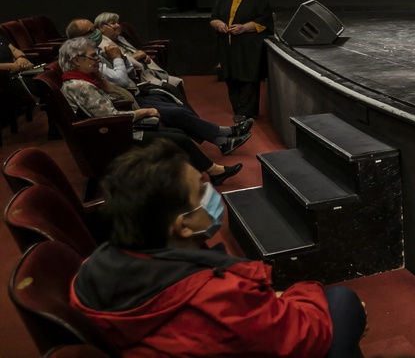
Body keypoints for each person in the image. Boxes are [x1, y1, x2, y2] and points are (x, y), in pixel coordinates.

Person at [70, 139, 368, 357]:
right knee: (342, 302)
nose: (211, 191)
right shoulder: (217, 298)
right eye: (202, 188)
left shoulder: (92, 269)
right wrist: (300, 295)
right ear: (182, 226)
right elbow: (303, 335)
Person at [57, 37, 243, 186]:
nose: (98, 60)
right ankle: (211, 172)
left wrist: (103, 81)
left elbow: (115, 99)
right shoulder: (81, 86)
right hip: (112, 137)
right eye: (93, 57)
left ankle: (208, 171)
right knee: (178, 138)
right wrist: (144, 112)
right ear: (76, 60)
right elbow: (110, 116)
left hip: (113, 130)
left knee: (177, 131)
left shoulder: (83, 80)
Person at [67, 18, 253, 154]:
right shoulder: (86, 60)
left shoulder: (96, 52)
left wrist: (122, 58)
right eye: (91, 30)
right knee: (174, 110)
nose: (95, 32)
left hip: (129, 94)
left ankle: (221, 136)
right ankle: (220, 137)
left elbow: (130, 70)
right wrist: (116, 59)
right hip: (124, 104)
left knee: (172, 100)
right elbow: (121, 83)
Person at [210, 0, 274, 123]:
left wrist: (244, 28)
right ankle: (238, 108)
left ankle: (246, 111)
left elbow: (265, 20)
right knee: (231, 77)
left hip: (248, 45)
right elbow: (214, 18)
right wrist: (218, 24)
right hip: (228, 45)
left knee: (248, 77)